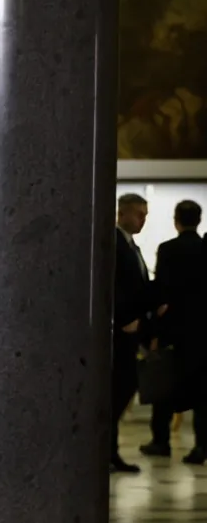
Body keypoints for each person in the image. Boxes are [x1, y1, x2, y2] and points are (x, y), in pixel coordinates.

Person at [142, 200, 207, 462]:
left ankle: (161, 441)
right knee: (202, 391)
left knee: (165, 387)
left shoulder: (168, 249)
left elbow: (161, 292)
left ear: (176, 220)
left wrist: (154, 331)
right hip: (203, 330)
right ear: (199, 220)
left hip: (174, 329)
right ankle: (201, 446)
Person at [114, 192, 152, 472]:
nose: (143, 220)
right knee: (118, 390)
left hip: (133, 331)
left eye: (145, 215)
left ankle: (111, 452)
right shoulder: (114, 243)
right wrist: (122, 319)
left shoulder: (131, 246)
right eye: (139, 214)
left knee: (125, 388)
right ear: (122, 213)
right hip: (119, 332)